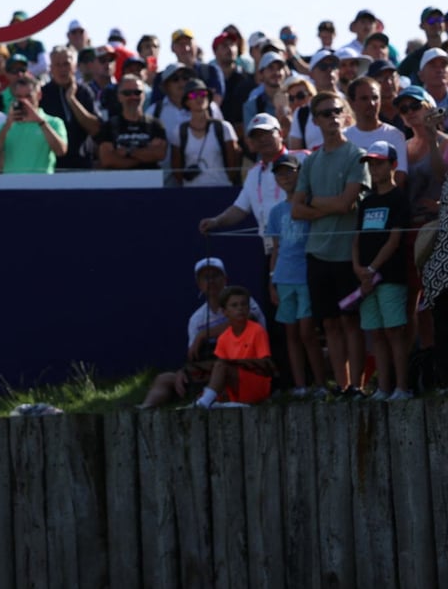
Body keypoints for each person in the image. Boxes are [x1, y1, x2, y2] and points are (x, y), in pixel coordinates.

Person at [292, 91, 370, 396]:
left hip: (347, 255)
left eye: (337, 111)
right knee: (330, 325)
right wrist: (327, 205)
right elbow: (296, 209)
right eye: (326, 113)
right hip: (317, 255)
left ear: (346, 114)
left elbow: (346, 204)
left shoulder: (356, 155)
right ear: (315, 121)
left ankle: (358, 387)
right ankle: (341, 385)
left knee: (351, 323)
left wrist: (314, 201)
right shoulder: (311, 161)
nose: (333, 117)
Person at [138, 258, 266, 408]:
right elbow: (194, 356)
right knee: (165, 379)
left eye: (215, 275)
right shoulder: (196, 319)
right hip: (209, 372)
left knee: (222, 367)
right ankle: (142, 411)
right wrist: (184, 371)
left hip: (244, 369)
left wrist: (204, 335)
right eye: (206, 277)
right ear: (199, 284)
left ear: (225, 279)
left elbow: (248, 321)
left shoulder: (243, 301)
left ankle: (205, 404)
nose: (211, 281)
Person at [352, 140, 413, 400]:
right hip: (366, 279)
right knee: (376, 333)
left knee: (394, 332)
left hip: (390, 277)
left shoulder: (399, 198)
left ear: (393, 164)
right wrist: (358, 269)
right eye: (370, 164)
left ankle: (402, 388)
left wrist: (371, 269)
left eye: (379, 163)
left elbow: (394, 240)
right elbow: (356, 239)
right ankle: (383, 388)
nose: (374, 169)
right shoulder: (366, 202)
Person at [264, 153, 328, 398]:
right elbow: (276, 249)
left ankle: (320, 384)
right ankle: (300, 386)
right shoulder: (276, 211)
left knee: (307, 333)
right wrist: (272, 280)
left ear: (300, 173)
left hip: (305, 276)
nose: (285, 177)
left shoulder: (310, 205)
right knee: (291, 334)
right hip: (283, 278)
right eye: (280, 173)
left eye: (289, 171)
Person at [191, 286, 276, 408]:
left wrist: (236, 365)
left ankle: (205, 403)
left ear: (248, 308)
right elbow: (220, 371)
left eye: (243, 304)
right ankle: (208, 400)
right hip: (236, 383)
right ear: (225, 312)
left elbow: (265, 365)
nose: (240, 308)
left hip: (257, 385)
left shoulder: (258, 331)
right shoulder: (223, 338)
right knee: (216, 374)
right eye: (234, 305)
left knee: (221, 367)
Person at [0, 74, 67, 174]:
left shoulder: (54, 122)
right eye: (19, 97)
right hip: (12, 183)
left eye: (28, 96)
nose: (24, 101)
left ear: (39, 95)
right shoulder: (7, 125)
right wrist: (7, 126)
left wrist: (40, 122)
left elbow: (61, 151)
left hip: (41, 183)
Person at [169, 79, 240, 187]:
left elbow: (234, 163)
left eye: (203, 94)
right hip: (191, 190)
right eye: (193, 95)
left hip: (221, 187)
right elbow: (176, 168)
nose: (199, 98)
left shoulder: (224, 127)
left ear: (208, 98)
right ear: (186, 101)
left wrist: (226, 180)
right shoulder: (179, 131)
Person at [94, 73, 167, 171]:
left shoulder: (155, 125)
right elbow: (108, 160)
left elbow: (159, 154)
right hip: (118, 179)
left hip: (150, 179)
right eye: (127, 93)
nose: (133, 97)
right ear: (119, 97)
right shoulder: (109, 126)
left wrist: (128, 152)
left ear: (144, 95)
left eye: (137, 92)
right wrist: (143, 156)